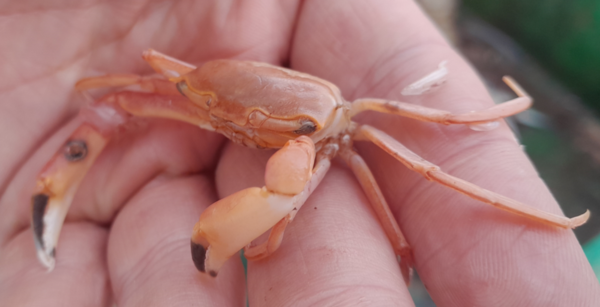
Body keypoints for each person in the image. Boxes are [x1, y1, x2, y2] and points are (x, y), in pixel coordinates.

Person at [0, 1, 598, 306]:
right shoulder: (195, 86)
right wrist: (188, 94)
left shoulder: (343, 128)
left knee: (426, 171)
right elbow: (108, 100)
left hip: (319, 127)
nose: (241, 131)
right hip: (219, 87)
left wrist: (497, 108)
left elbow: (438, 129)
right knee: (122, 100)